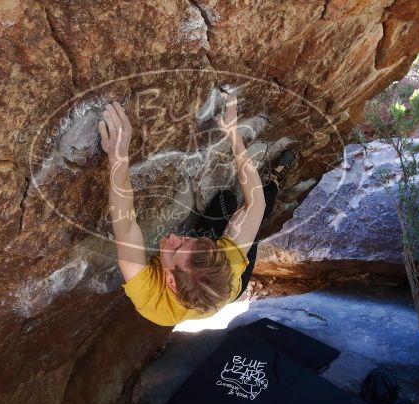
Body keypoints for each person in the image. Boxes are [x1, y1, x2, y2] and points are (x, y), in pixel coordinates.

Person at [98, 94, 293, 326]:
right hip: (235, 281)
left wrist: (117, 157)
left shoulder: (152, 300)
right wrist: (233, 133)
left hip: (220, 287)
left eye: (176, 247)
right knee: (239, 205)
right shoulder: (227, 262)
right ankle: (275, 182)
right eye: (185, 241)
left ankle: (274, 181)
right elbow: (255, 204)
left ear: (170, 281)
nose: (172, 237)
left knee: (225, 203)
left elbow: (126, 224)